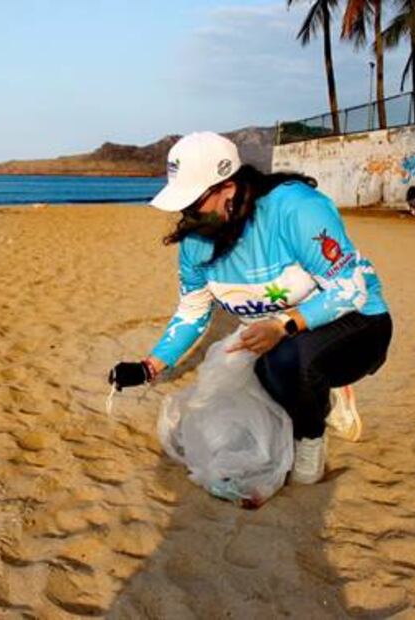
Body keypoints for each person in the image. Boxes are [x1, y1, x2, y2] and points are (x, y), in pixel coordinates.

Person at [108, 132, 392, 485]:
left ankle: (311, 435)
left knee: (285, 361)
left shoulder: (296, 208)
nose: (187, 215)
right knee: (256, 372)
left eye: (193, 204)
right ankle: (324, 398)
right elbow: (193, 310)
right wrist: (149, 367)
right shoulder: (195, 243)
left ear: (228, 188)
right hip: (285, 332)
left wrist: (283, 325)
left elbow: (351, 288)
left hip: (359, 323)